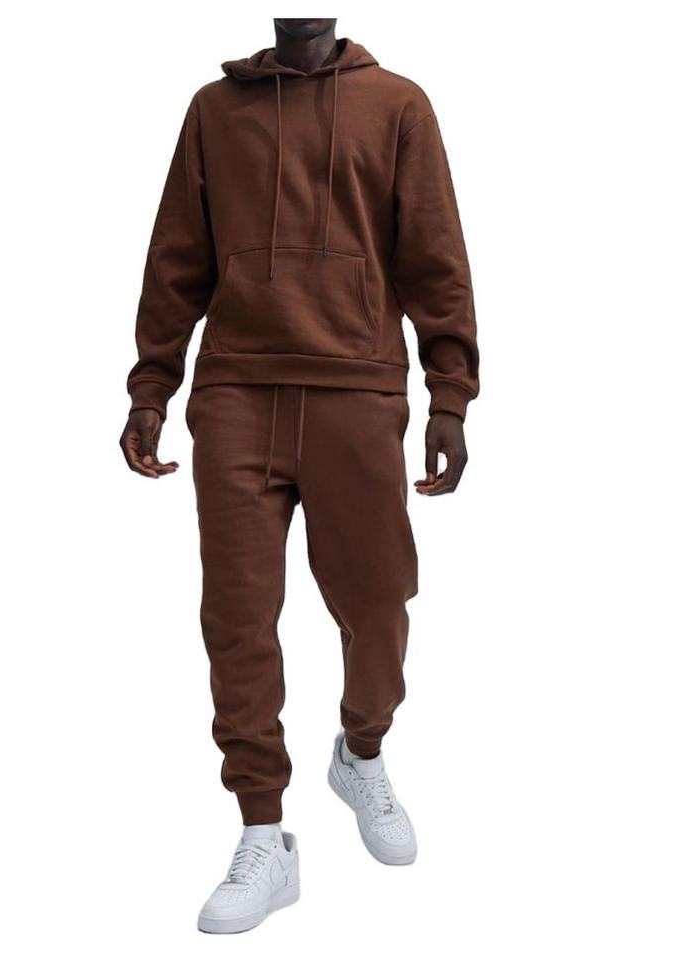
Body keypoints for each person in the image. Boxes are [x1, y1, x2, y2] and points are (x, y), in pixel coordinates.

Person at [119, 18, 479, 934]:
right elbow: (176, 257)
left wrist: (449, 395)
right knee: (237, 617)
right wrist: (152, 386)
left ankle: (362, 750)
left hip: (356, 389)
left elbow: (435, 255)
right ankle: (263, 833)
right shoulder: (214, 111)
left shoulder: (397, 105)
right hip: (237, 390)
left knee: (379, 602)